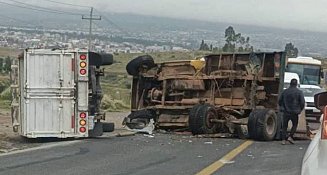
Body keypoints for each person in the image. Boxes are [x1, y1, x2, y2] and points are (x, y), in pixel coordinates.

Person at [279, 78, 305, 145]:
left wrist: (282, 107)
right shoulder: (299, 92)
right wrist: (300, 109)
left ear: (290, 84)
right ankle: (290, 136)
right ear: (296, 84)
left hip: (286, 111)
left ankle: (283, 140)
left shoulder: (285, 91)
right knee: (294, 124)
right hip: (295, 112)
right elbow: (302, 102)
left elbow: (280, 101)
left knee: (284, 126)